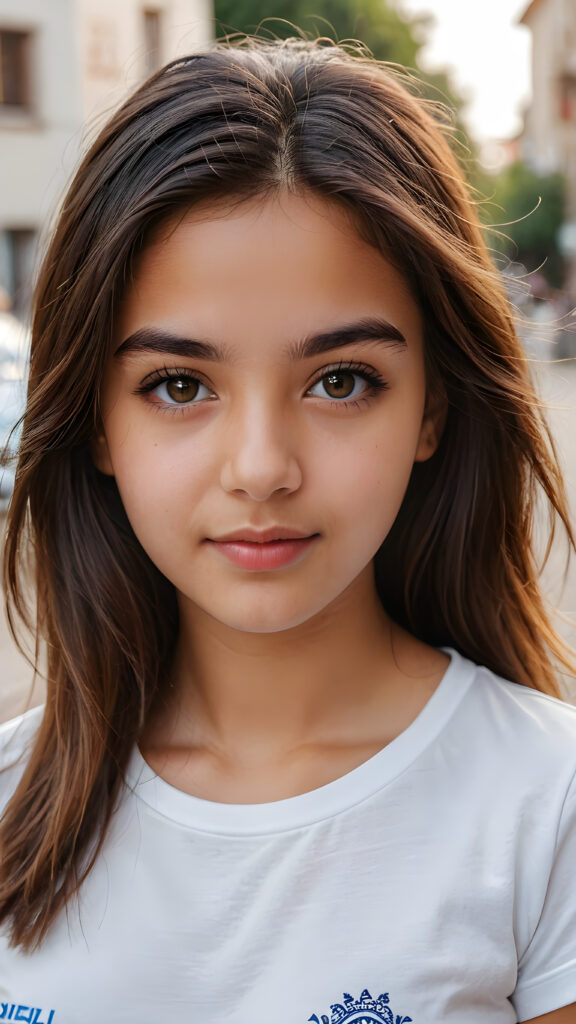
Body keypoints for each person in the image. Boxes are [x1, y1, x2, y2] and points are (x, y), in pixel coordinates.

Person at [0, 34, 575, 1024]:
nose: (262, 465)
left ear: (432, 407)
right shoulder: (11, 805)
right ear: (96, 422)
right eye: (178, 385)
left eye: (340, 380)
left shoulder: (547, 804)